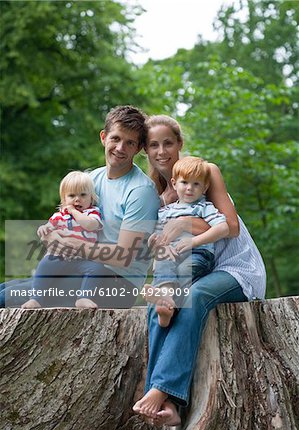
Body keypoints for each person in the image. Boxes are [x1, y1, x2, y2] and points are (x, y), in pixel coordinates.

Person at [133, 114, 266, 426]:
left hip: (234, 268)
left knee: (194, 296)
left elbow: (229, 227)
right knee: (161, 304)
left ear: (180, 144)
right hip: (190, 268)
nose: (162, 151)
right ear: (145, 151)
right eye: (153, 145)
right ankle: (171, 406)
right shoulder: (156, 195)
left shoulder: (205, 172)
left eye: (168, 143)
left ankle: (159, 389)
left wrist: (181, 223)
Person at [1, 105, 160, 308]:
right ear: (103, 137)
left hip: (117, 284)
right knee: (7, 287)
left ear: (138, 148)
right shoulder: (91, 179)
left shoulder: (140, 191)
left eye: (130, 143)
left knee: (9, 296)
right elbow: (65, 219)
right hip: (78, 270)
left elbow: (125, 257)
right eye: (116, 138)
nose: (120, 148)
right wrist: (52, 236)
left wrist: (72, 245)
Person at [143, 156, 229, 327]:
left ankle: (170, 308)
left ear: (205, 187)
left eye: (196, 184)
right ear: (174, 183)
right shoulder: (165, 211)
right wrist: (154, 243)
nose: (189, 188)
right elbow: (158, 238)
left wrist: (194, 242)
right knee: (162, 262)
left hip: (198, 254)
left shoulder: (204, 207)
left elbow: (223, 228)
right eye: (184, 183)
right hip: (172, 254)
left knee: (184, 269)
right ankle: (165, 299)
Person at [21, 170, 103, 309]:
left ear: (91, 197)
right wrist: (43, 229)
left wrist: (74, 211)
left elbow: (90, 225)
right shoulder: (59, 215)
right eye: (72, 196)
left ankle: (84, 297)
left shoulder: (92, 212)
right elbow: (49, 227)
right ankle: (36, 299)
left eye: (83, 195)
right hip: (59, 257)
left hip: (84, 259)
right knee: (44, 265)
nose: (77, 199)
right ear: (64, 200)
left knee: (97, 269)